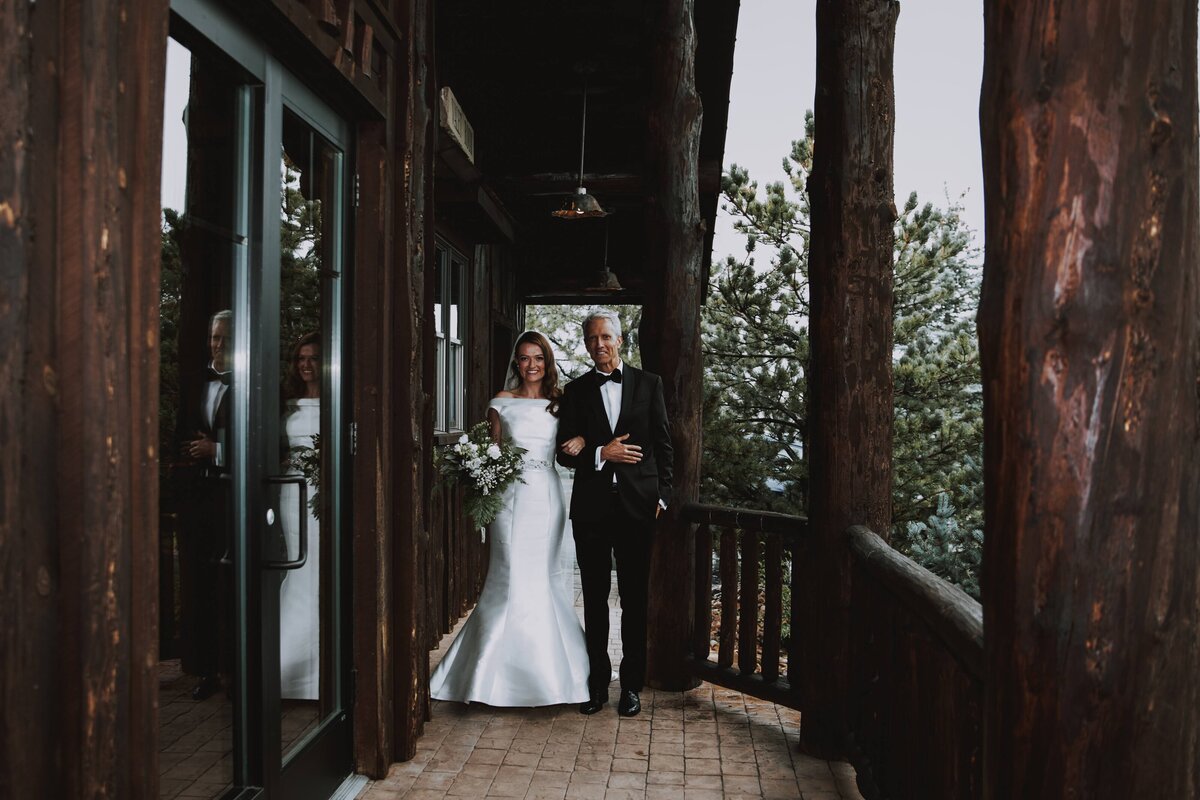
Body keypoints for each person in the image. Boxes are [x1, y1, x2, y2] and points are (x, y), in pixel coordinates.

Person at [429, 331, 590, 706]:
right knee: (509, 574)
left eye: (538, 358)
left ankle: (555, 674)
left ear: (547, 362)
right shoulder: (500, 402)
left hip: (547, 497)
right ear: (515, 363)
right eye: (524, 358)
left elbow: (579, 438)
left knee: (542, 576)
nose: (531, 365)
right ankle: (488, 675)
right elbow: (492, 449)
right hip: (508, 497)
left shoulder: (561, 404)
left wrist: (581, 440)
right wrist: (481, 471)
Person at [555, 309, 673, 717]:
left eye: (605, 337)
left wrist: (663, 497)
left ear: (620, 340)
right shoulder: (576, 391)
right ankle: (597, 685)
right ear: (586, 344)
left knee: (635, 599)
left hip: (639, 508)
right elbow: (563, 454)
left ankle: (632, 686)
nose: (598, 345)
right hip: (591, 509)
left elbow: (663, 444)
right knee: (594, 599)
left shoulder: (649, 384)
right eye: (591, 339)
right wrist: (600, 453)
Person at [177, 309, 233, 701]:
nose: (218, 346)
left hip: (234, 498)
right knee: (200, 584)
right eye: (215, 338)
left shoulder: (250, 384)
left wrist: (218, 450)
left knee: (229, 585)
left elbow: (260, 442)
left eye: (226, 339)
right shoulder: (195, 383)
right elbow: (181, 431)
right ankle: (206, 671)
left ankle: (234, 667)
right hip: (199, 498)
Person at [280, 331, 322, 700]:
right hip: (291, 491)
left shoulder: (337, 400)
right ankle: (289, 669)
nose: (305, 365)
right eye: (300, 359)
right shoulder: (288, 402)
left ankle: (318, 670)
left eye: (312, 358)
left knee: (320, 569)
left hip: (322, 492)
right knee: (297, 568)